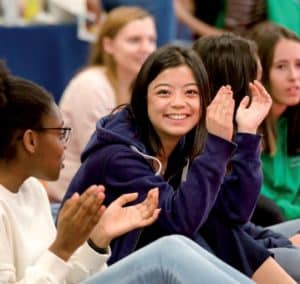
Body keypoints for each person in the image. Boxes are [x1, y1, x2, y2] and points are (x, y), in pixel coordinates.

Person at [0, 60, 258, 284]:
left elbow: (67, 277)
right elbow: (183, 220)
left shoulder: (32, 189)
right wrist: (62, 248)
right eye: (60, 133)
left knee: (190, 243)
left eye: (191, 92)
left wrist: (98, 239)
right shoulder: (118, 155)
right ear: (31, 141)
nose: (65, 144)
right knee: (169, 252)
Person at [63, 45, 295, 283]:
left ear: (205, 99)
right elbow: (179, 223)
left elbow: (234, 213)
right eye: (164, 93)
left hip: (182, 254)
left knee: (216, 224)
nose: (178, 103)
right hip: (95, 271)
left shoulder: (185, 141)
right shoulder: (117, 156)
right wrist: (217, 144)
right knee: (184, 239)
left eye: (191, 93)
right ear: (143, 98)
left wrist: (246, 135)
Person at [192, 32, 300, 282]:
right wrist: (248, 135)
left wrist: (281, 242)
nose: (293, 77)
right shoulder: (205, 139)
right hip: (235, 253)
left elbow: (238, 223)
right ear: (238, 85)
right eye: (257, 80)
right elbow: (232, 218)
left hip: (250, 240)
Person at [46, 6, 157, 204]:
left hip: (114, 193)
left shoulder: (144, 88)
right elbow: (103, 160)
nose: (146, 48)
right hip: (72, 201)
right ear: (108, 45)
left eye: (151, 40)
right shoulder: (91, 85)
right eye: (135, 40)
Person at [246, 22, 300, 223]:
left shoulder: (293, 121)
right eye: (281, 66)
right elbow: (261, 207)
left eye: (298, 65)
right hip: (268, 229)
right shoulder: (245, 129)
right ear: (258, 72)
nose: (294, 77)